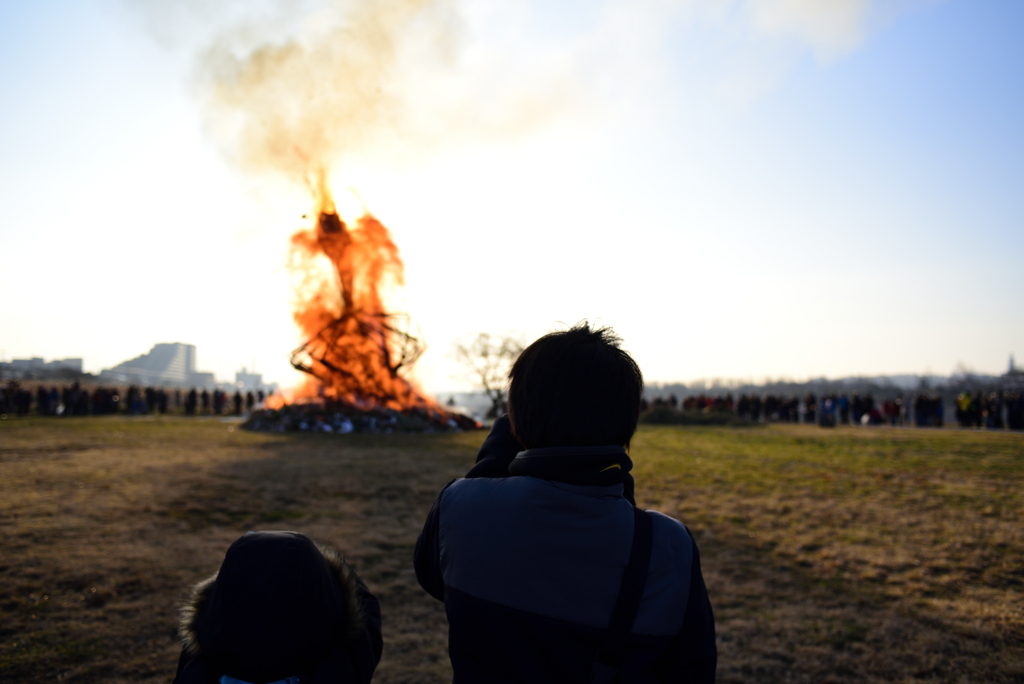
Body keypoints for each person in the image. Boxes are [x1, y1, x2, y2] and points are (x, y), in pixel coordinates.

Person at [414, 323, 716, 683]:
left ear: (515, 416)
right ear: (628, 417)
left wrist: (502, 445)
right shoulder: (668, 546)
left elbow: (434, 579)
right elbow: (692, 668)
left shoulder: (458, 507)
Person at [172, 531, 382, 684]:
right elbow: (364, 622)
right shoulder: (338, 670)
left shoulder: (200, 664)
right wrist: (332, 570)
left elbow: (207, 621)